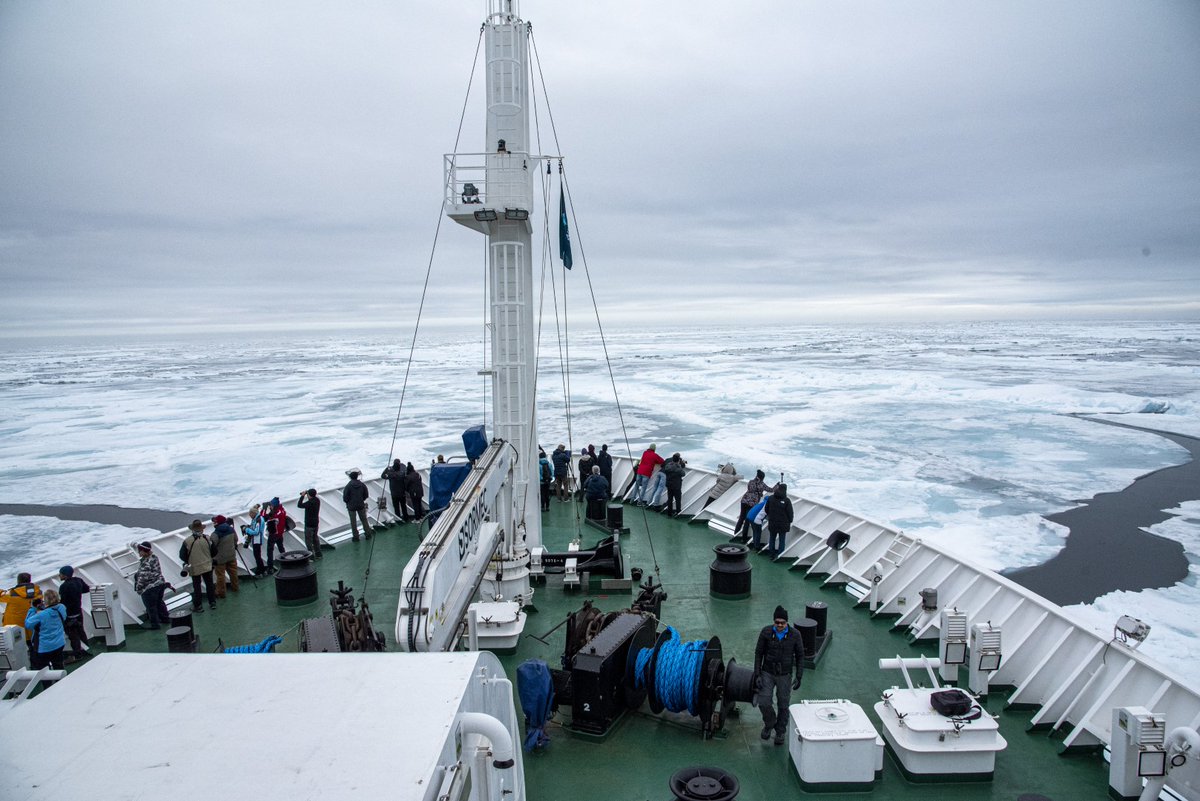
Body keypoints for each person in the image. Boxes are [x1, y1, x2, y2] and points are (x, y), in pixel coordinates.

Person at [754, 605, 805, 745]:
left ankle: (780, 731)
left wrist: (799, 676)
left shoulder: (795, 635)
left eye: (783, 622)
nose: (780, 625)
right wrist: (757, 674)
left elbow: (800, 656)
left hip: (785, 674)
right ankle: (770, 723)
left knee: (783, 704)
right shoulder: (766, 632)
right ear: (773, 622)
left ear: (787, 622)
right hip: (767, 672)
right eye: (777, 622)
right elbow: (759, 653)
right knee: (763, 701)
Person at [25, 589, 68, 672]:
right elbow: (56, 612)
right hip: (59, 643)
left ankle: (48, 685)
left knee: (44, 671)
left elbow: (28, 624)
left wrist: (32, 608)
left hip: (44, 647)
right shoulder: (62, 607)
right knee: (58, 666)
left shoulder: (42, 615)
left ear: (46, 600)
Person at [180, 519, 217, 612]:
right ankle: (212, 603)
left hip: (195, 567)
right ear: (202, 529)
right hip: (207, 565)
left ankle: (198, 606)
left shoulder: (187, 541)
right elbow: (214, 552)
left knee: (197, 587)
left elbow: (182, 556)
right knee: (209, 584)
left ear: (192, 530)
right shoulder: (208, 538)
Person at [133, 542, 170, 629]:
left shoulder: (146, 563)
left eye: (140, 551)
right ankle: (165, 619)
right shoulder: (154, 557)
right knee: (159, 602)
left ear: (144, 551)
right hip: (160, 584)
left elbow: (143, 578)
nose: (139, 553)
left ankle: (155, 625)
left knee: (151, 607)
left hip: (150, 588)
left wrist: (138, 588)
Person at [57, 566, 91, 661]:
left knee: (73, 635)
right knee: (81, 631)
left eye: (60, 573)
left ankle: (77, 654)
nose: (59, 575)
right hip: (78, 612)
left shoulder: (63, 587)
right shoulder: (78, 581)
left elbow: (63, 602)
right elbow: (86, 589)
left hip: (69, 614)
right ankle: (86, 649)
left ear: (65, 575)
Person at [734, 470, 778, 541]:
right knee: (747, 520)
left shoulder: (751, 481)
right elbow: (771, 490)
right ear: (762, 477)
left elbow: (750, 489)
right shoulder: (762, 484)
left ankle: (735, 533)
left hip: (744, 500)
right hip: (752, 503)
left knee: (741, 518)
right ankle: (744, 538)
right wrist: (777, 485)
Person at [1, 572, 43, 643]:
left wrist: (2, 592)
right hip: (32, 625)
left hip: (16, 627)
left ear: (18, 581)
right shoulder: (38, 592)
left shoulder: (12, 594)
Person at [211, 515, 239, 597]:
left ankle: (221, 592)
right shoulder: (231, 529)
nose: (214, 523)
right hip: (231, 555)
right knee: (233, 573)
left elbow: (212, 546)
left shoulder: (215, 534)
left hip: (220, 559)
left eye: (215, 521)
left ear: (218, 523)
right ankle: (235, 587)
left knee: (220, 576)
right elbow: (236, 539)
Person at [764, 483, 794, 557]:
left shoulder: (771, 498)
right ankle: (779, 555)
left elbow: (766, 509)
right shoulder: (787, 500)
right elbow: (790, 513)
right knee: (782, 540)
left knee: (772, 538)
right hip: (783, 524)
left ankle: (771, 553)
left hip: (772, 522)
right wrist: (790, 521)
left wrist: (770, 516)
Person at [343, 471, 372, 541]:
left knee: (353, 522)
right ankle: (368, 534)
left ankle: (356, 537)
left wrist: (348, 502)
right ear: (357, 476)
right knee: (364, 520)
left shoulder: (348, 486)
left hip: (351, 506)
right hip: (361, 505)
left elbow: (345, 497)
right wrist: (361, 499)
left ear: (350, 477)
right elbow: (366, 494)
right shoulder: (362, 485)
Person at [241, 503, 267, 575]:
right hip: (255, 540)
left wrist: (246, 530)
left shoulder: (259, 520)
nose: (249, 516)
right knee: (257, 555)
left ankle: (261, 570)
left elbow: (256, 532)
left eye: (250, 514)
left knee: (257, 556)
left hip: (257, 540)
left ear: (253, 513)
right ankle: (261, 569)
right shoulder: (255, 519)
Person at [298, 488, 322, 558]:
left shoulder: (309, 503)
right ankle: (319, 554)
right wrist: (307, 494)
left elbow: (299, 505)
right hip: (315, 523)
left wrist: (302, 496)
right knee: (315, 539)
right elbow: (311, 499)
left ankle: (311, 557)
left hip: (309, 524)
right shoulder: (317, 500)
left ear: (309, 495)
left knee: (308, 541)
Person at [267, 496, 290, 564]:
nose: (270, 506)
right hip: (280, 534)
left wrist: (265, 511)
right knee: (281, 548)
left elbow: (267, 518)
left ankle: (270, 566)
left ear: (274, 505)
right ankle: (285, 561)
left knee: (270, 550)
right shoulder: (282, 511)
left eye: (271, 505)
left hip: (274, 534)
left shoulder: (276, 514)